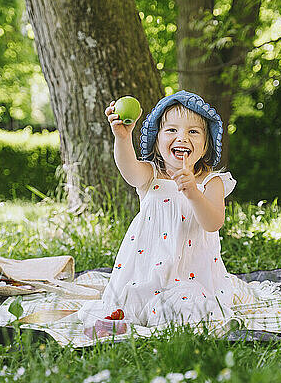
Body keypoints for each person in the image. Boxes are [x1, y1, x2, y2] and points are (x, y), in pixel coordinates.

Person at [78, 90, 238, 337]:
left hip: (190, 276)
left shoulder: (211, 181)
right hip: (145, 271)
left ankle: (163, 318)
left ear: (206, 144)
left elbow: (213, 223)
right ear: (157, 140)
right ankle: (125, 320)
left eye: (193, 132)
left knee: (188, 307)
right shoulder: (150, 175)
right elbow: (128, 170)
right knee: (128, 303)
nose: (182, 137)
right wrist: (122, 138)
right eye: (171, 130)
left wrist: (194, 192)